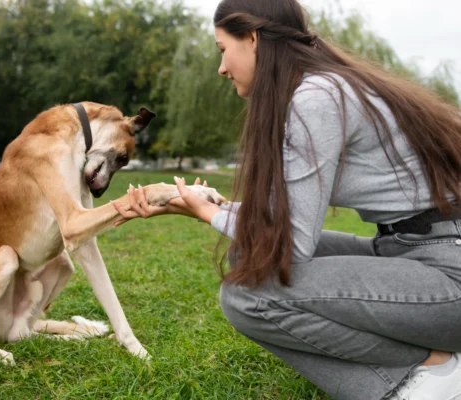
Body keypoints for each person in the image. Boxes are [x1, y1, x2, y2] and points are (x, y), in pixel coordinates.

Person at [111, 0, 461, 399]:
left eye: (223, 49)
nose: (221, 68)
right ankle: (430, 364)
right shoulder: (322, 89)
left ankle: (430, 373)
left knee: (246, 296)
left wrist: (207, 212)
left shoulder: (319, 97)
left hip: (449, 269)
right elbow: (281, 217)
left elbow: (291, 240)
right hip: (411, 248)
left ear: (254, 39)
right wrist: (198, 205)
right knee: (246, 258)